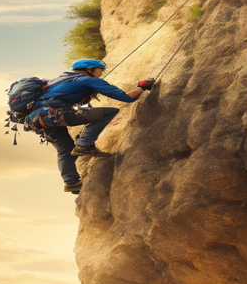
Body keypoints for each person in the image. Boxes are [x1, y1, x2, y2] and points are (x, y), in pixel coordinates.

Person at [28, 59, 155, 193]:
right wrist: (142, 86)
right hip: (54, 114)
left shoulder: (59, 80)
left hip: (36, 119)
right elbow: (128, 98)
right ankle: (84, 144)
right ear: (90, 69)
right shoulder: (87, 80)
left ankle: (71, 183)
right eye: (101, 69)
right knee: (110, 112)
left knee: (65, 150)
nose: (102, 72)